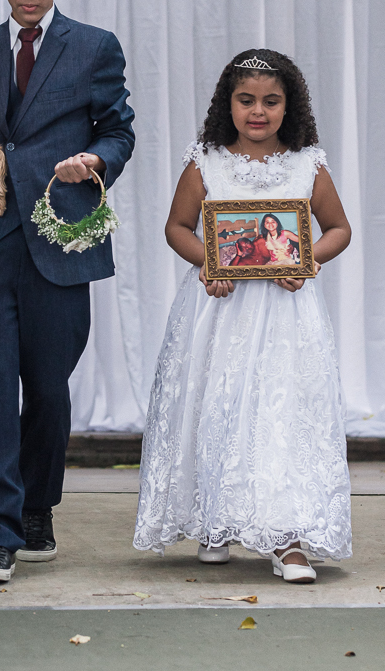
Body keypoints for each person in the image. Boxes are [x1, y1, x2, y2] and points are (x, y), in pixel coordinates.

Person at [0, 0, 135, 584]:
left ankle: (35, 507)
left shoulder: (95, 47)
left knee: (48, 390)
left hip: (60, 239)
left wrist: (95, 161)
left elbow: (118, 131)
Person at [134, 49, 352, 584]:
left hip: (285, 313)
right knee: (217, 406)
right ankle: (216, 523)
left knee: (280, 414)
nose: (258, 111)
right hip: (219, 309)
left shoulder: (307, 164)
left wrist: (308, 260)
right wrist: (208, 263)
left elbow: (338, 229)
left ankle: (286, 538)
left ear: (289, 106)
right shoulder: (205, 162)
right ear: (226, 104)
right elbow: (178, 227)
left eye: (271, 101)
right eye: (246, 100)